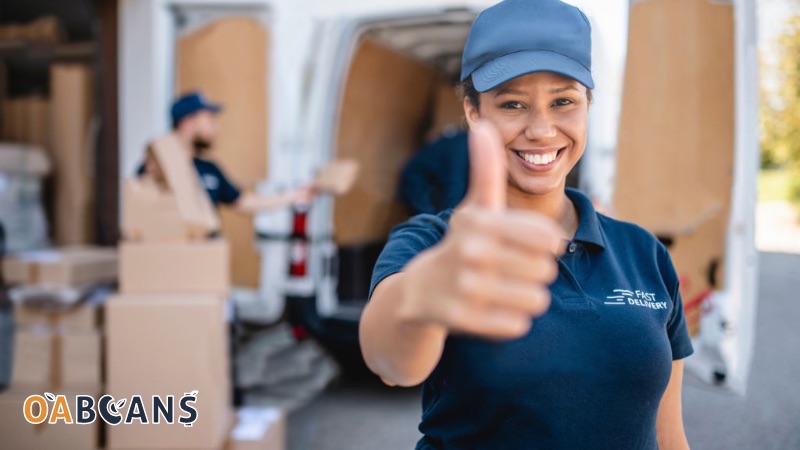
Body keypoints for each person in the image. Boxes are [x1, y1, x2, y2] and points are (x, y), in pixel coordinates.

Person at [359, 1, 693, 449]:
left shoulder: (642, 252)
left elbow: (669, 435)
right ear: (474, 112)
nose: (541, 129)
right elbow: (390, 360)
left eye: (563, 102)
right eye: (513, 103)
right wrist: (424, 297)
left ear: (588, 106)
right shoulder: (433, 243)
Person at [139, 91, 315, 211]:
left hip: (206, 256)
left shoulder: (210, 170)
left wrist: (294, 195)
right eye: (209, 118)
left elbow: (244, 201)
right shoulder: (155, 166)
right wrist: (149, 180)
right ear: (188, 122)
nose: (215, 126)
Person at [398, 129, 470, 216]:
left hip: (438, 184)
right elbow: (454, 184)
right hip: (418, 181)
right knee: (432, 219)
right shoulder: (462, 145)